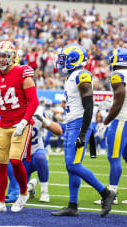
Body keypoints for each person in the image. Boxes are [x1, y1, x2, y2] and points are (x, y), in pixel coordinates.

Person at [51, 44, 116, 217]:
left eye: (65, 59)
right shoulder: (72, 76)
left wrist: (82, 132)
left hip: (80, 124)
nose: (62, 62)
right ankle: (73, 206)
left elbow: (89, 106)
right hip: (73, 123)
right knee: (70, 166)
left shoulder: (82, 74)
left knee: (74, 164)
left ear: (74, 59)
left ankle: (106, 193)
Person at [0, 41, 39, 213]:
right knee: (0, 164)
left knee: (15, 161)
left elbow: (34, 101)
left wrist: (24, 121)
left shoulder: (23, 72)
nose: (1, 60)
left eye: (4, 56)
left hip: (21, 123)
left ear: (13, 57)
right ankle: (0, 201)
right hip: (3, 125)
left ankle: (23, 193)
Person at [7, 105, 63, 203]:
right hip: (19, 159)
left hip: (36, 153)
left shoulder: (39, 110)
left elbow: (59, 131)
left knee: (40, 157)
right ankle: (31, 186)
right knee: (14, 193)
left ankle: (44, 192)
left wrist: (44, 120)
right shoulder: (12, 108)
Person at [94, 48, 127, 205]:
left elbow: (120, 101)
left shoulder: (118, 75)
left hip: (121, 121)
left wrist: (105, 121)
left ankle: (112, 194)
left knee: (114, 157)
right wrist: (108, 103)